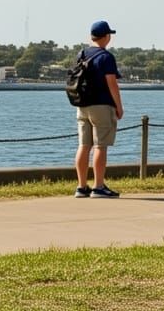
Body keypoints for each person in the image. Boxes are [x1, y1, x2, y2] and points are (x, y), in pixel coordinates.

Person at [74, 19, 124, 198]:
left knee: (84, 145)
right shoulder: (106, 57)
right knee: (100, 146)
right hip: (101, 105)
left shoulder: (81, 54)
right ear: (107, 36)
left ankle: (81, 186)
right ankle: (99, 186)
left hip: (82, 105)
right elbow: (112, 84)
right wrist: (119, 106)